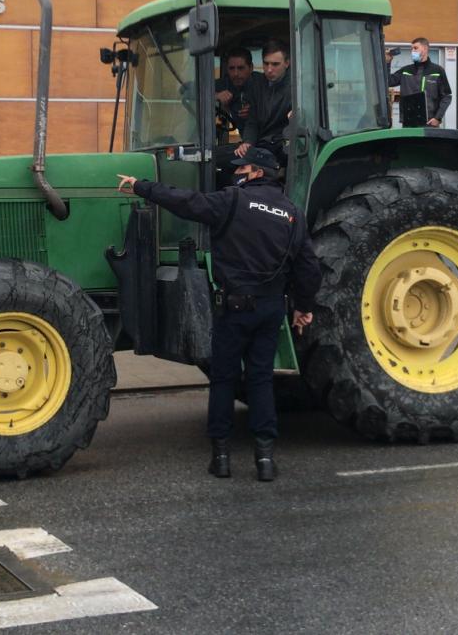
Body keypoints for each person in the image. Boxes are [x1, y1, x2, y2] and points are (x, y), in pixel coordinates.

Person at [116, 147, 320, 482]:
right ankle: (265, 459)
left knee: (224, 381)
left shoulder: (232, 202)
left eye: (244, 168)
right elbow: (308, 268)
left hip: (234, 309)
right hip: (270, 310)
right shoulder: (292, 214)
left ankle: (222, 457)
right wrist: (304, 308)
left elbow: (185, 201)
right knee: (261, 379)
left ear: (256, 173)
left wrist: (141, 185)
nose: (238, 172)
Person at [239, 41, 293, 166]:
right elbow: (252, 121)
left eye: (275, 64)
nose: (269, 69)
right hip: (261, 146)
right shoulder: (256, 84)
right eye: (266, 63)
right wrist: (247, 142)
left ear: (287, 63)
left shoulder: (296, 86)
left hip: (283, 148)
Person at [390, 37, 453, 127]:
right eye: (411, 49)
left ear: (425, 48)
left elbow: (447, 96)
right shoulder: (406, 70)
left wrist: (437, 118)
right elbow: (388, 82)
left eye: (415, 48)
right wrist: (387, 62)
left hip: (429, 123)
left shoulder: (437, 71)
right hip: (408, 123)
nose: (412, 51)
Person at [214, 47, 259, 139]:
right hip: (245, 142)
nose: (235, 73)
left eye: (241, 68)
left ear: (251, 68)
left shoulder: (262, 83)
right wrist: (216, 96)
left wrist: (256, 110)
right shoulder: (225, 84)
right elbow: (189, 90)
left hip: (269, 140)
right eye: (231, 68)